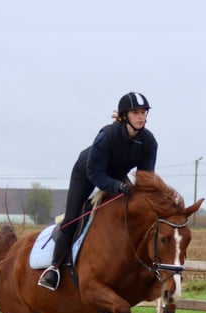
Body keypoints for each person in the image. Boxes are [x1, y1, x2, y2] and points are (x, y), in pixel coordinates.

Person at [38, 91, 158, 290]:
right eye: (136, 112)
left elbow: (146, 177)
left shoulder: (149, 142)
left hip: (117, 174)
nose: (141, 117)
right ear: (125, 115)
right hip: (87, 172)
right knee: (72, 217)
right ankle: (54, 269)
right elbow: (94, 173)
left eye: (144, 112)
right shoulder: (107, 136)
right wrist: (117, 187)